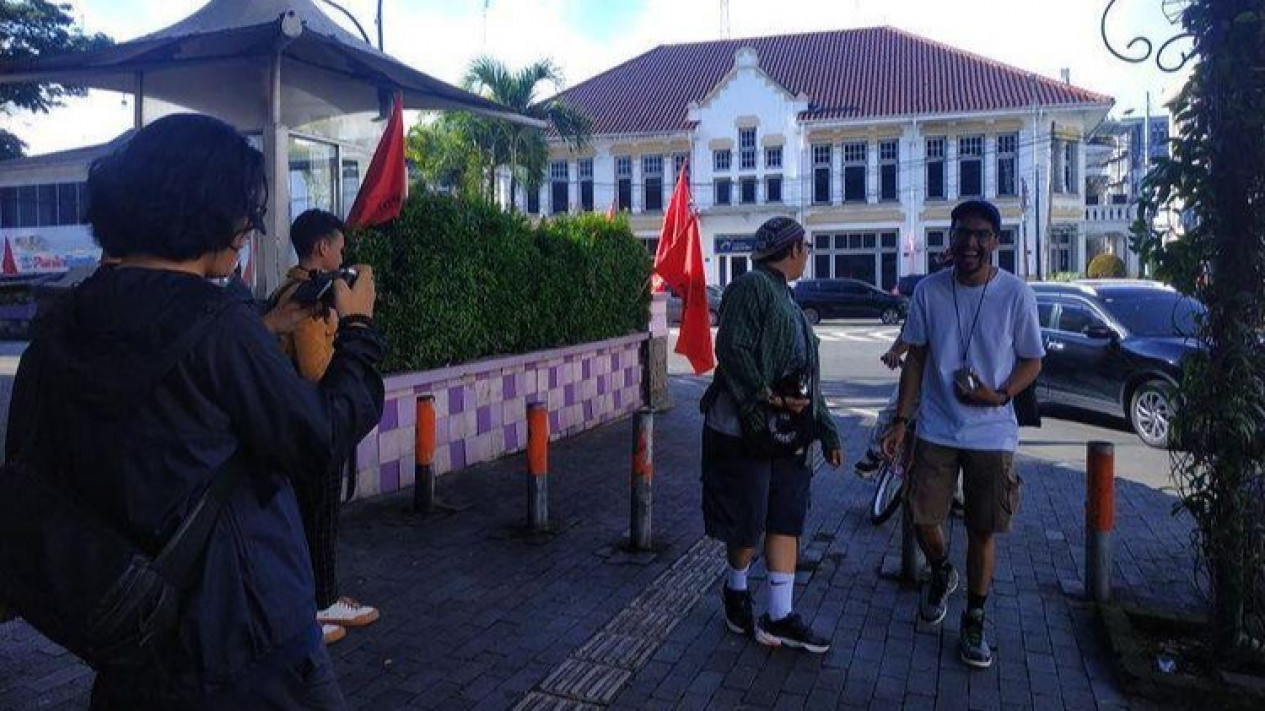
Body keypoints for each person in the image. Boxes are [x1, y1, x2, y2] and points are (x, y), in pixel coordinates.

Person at [6, 113, 384, 709]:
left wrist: (263, 327)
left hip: (128, 637)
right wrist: (358, 329)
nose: (246, 229)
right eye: (242, 212)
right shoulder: (216, 324)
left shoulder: (57, 330)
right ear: (205, 211)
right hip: (249, 642)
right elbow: (318, 436)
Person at [882, 199, 1044, 669]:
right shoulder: (930, 291)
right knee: (921, 515)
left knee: (981, 529)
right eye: (962, 233)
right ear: (949, 239)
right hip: (936, 426)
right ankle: (940, 570)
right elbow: (915, 358)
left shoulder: (1016, 294)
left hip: (991, 433)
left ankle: (974, 619)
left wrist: (1001, 394)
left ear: (995, 240)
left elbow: (1032, 361)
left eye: (980, 235)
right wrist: (899, 420)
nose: (970, 243)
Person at [700, 216, 845, 654]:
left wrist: (827, 431)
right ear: (792, 250)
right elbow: (731, 348)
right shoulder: (752, 288)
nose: (807, 257)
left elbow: (807, 380)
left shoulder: (791, 304)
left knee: (785, 517)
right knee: (747, 523)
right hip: (745, 431)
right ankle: (737, 590)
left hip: (788, 436)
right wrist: (767, 398)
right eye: (806, 249)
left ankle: (780, 615)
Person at [268, 209, 380, 645]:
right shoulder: (308, 297)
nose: (342, 253)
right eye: (339, 246)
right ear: (321, 247)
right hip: (314, 424)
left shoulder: (288, 289)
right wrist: (345, 330)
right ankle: (320, 601)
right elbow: (317, 369)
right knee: (319, 517)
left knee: (310, 517)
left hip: (297, 424)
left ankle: (317, 599)